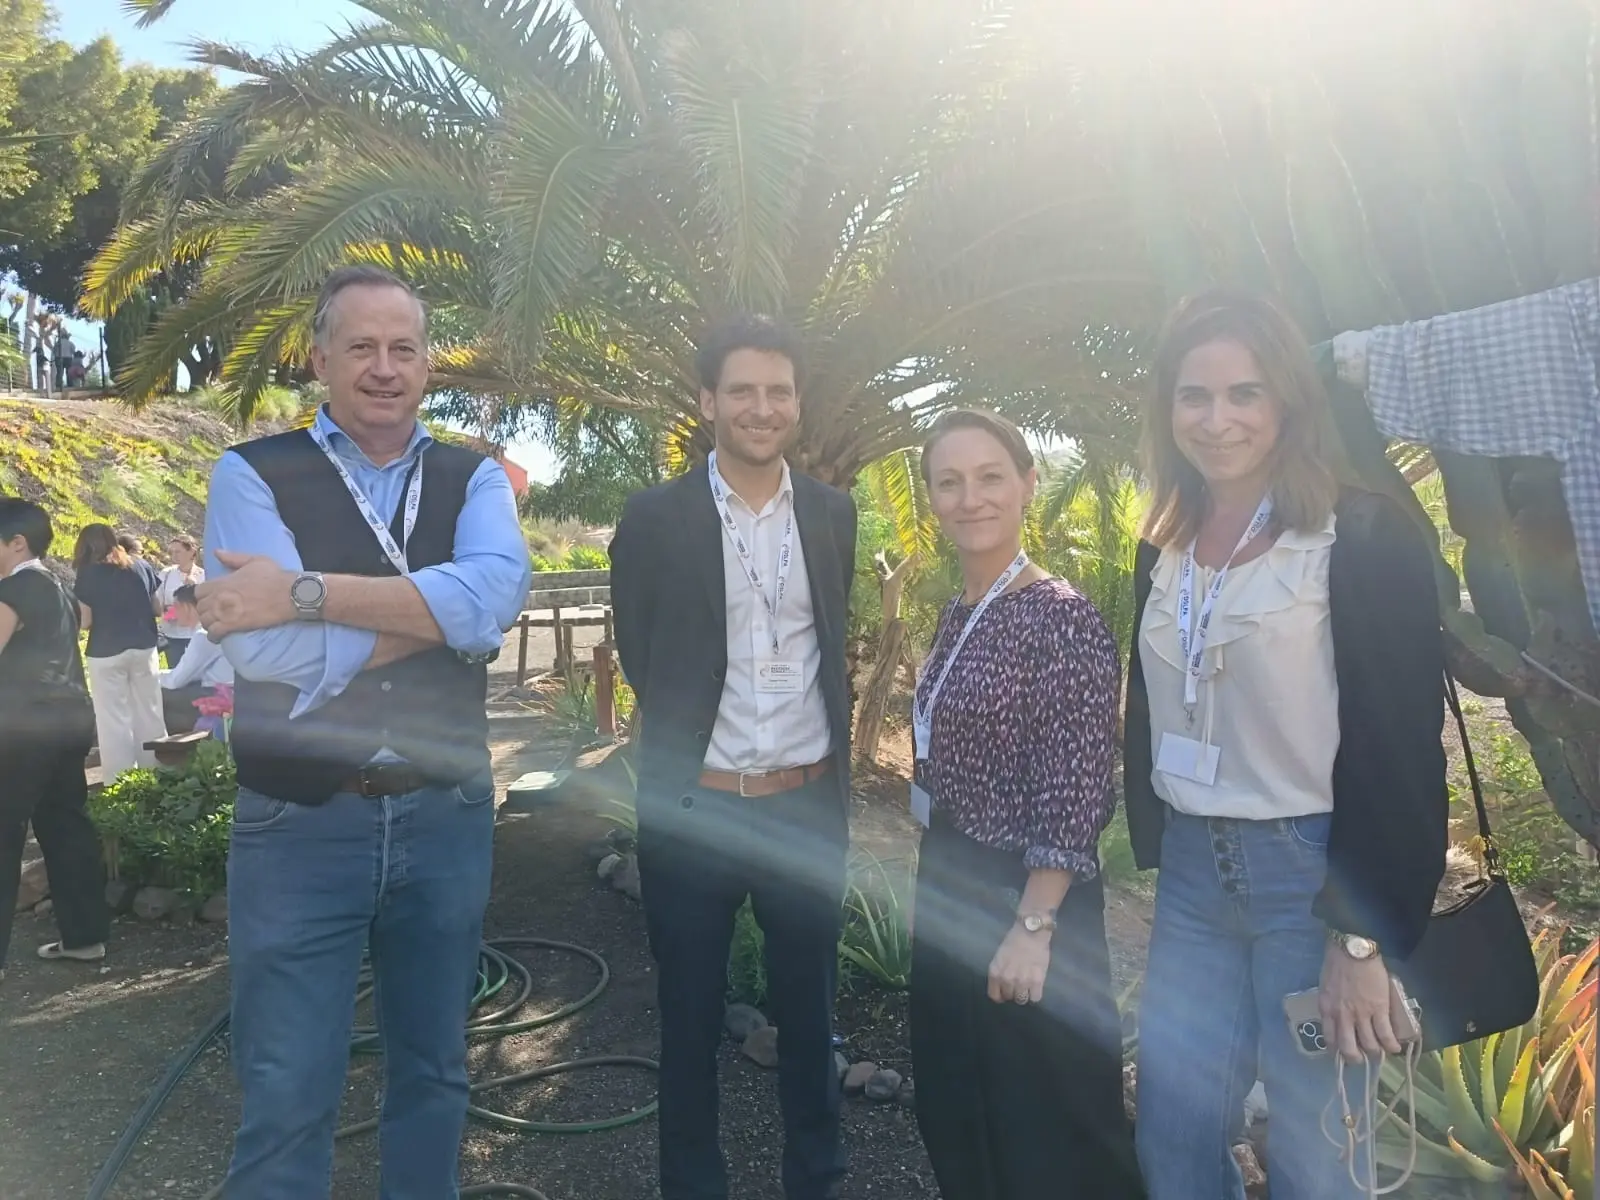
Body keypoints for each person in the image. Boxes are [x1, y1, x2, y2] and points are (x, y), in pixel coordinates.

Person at [193, 264, 531, 1199]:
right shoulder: (251, 472)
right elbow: (264, 653)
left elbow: (497, 596)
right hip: (299, 824)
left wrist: (302, 594)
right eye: (362, 347)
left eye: (404, 348)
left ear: (428, 363)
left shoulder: (474, 476)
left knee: (435, 1072)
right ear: (320, 359)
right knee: (286, 1089)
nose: (385, 367)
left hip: (444, 814)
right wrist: (443, 618)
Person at [1124, 291, 1449, 1199]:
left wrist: (1360, 937)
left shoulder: (1360, 537)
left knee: (1319, 1155)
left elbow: (1402, 749)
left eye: (1245, 393)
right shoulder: (1163, 546)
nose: (1217, 419)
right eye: (1195, 396)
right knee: (1174, 1134)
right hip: (1194, 872)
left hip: (1312, 880)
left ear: (1287, 403)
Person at [609, 314, 857, 1200]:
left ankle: (815, 1181)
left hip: (805, 804)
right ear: (708, 401)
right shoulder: (654, 518)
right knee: (687, 1022)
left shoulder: (831, 513)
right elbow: (641, 654)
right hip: (696, 808)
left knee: (811, 1016)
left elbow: (830, 639)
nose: (762, 407)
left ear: (797, 402)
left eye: (778, 391)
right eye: (743, 390)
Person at [905, 410, 1144, 1199]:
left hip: (1027, 891)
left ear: (1028, 485)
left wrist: (1035, 925)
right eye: (950, 482)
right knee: (958, 1094)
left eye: (989, 477)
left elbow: (1076, 782)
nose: (969, 498)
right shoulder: (962, 609)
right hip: (952, 873)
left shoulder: (1060, 618)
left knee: (1045, 1114)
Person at [0, 498, 109, 979]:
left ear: (16, 543)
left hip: (24, 725)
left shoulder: (15, 587)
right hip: (71, 718)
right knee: (65, 825)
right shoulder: (60, 587)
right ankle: (85, 937)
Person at [73, 523, 167, 780]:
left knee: (113, 718)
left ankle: (120, 780)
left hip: (106, 650)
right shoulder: (141, 565)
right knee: (150, 711)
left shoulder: (87, 573)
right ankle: (156, 772)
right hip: (144, 646)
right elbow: (157, 608)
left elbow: (86, 621)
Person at [159, 584, 231, 735]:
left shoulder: (203, 635)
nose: (174, 613)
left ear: (186, 607)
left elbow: (175, 681)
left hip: (216, 694)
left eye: (176, 607)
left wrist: (149, 678)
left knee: (153, 694)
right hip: (223, 690)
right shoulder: (213, 629)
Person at [156, 534, 205, 667]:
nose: (174, 556)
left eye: (178, 551)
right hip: (172, 635)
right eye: (171, 552)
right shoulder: (166, 574)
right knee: (175, 670)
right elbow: (158, 604)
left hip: (197, 635)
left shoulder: (203, 575)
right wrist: (172, 613)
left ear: (192, 552)